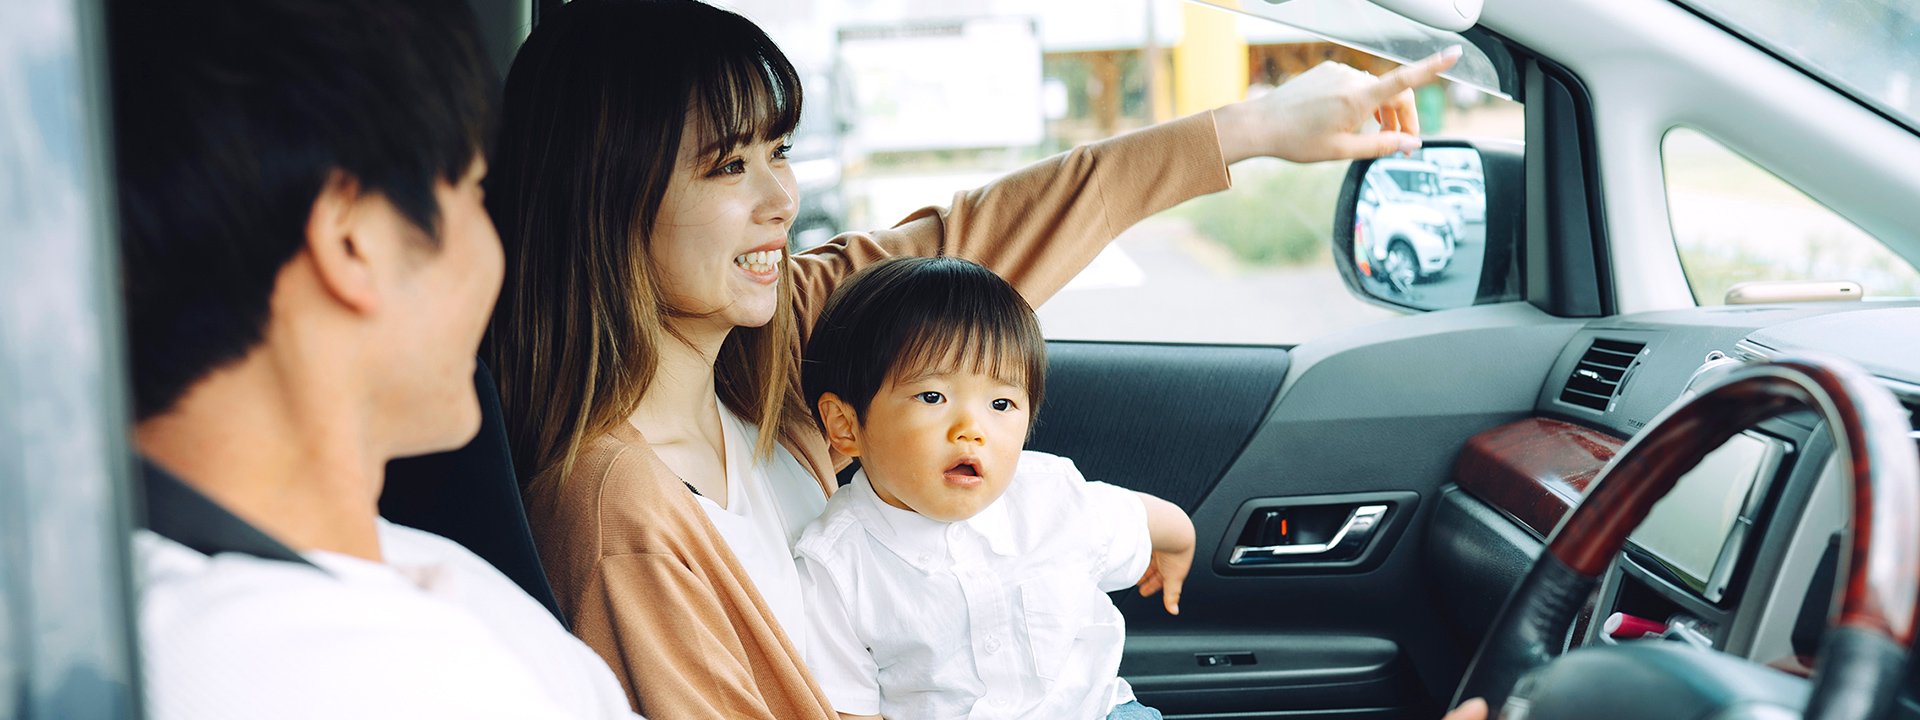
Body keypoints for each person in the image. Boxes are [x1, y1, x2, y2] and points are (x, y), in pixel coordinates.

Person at [485, 1, 1469, 718]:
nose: (780, 199)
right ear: (604, 197)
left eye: (777, 152)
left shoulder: (769, 339)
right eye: (727, 166)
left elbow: (981, 237)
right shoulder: (619, 516)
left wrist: (1253, 128)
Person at [111, 0, 636, 717]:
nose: (497, 253)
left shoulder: (381, 572)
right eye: (476, 193)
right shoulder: (329, 676)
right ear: (353, 238)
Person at [794, 256, 1195, 720]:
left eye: (1001, 403)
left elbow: (1141, 519)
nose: (972, 429)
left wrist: (1178, 544)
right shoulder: (834, 568)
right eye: (932, 397)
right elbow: (850, 709)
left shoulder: (1052, 497)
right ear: (845, 426)